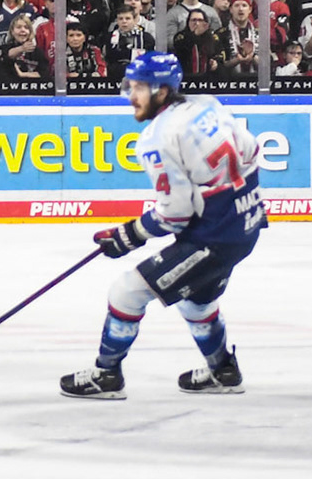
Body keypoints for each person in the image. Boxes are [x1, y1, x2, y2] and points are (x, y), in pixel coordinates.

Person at [61, 51, 265, 400]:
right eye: (130, 85)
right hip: (247, 222)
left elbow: (176, 214)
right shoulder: (207, 104)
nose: (130, 95)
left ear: (162, 90)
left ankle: (107, 375)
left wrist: (129, 235)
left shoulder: (156, 139)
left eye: (139, 87)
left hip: (214, 237)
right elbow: (251, 152)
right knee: (197, 303)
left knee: (126, 292)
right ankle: (222, 371)